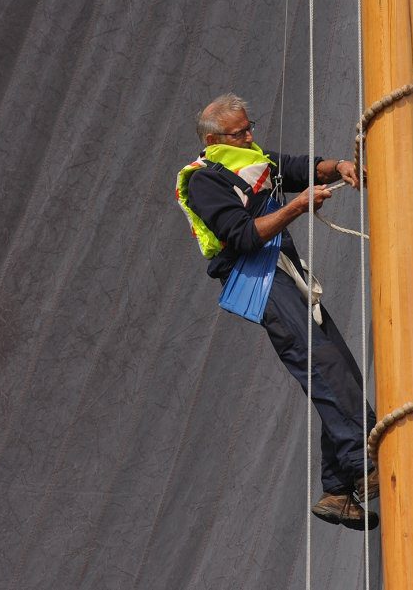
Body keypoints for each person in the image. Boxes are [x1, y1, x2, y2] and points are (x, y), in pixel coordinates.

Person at [175, 93, 379, 530]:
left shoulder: (254, 159)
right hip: (255, 276)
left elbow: (299, 166)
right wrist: (294, 206)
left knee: (342, 368)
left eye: (251, 126)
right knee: (320, 362)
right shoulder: (204, 179)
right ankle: (364, 461)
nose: (251, 135)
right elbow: (243, 237)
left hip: (284, 272)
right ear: (214, 139)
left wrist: (337, 166)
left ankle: (337, 489)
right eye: (241, 131)